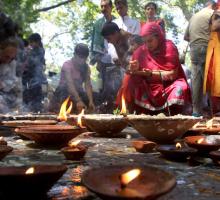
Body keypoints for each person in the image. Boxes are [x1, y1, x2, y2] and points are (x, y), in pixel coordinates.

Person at [117, 22, 191, 115]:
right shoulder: (141, 51)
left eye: (150, 40)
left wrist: (151, 73)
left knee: (181, 87)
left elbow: (173, 74)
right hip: (149, 87)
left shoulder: (169, 47)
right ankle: (131, 114)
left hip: (168, 86)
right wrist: (135, 69)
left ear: (158, 37)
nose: (147, 45)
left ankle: (173, 114)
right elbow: (133, 70)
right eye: (145, 42)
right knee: (129, 80)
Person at [184, 0, 216, 116]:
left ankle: (196, 112)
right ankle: (215, 112)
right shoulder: (214, 13)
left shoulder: (194, 16)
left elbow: (186, 36)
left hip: (194, 49)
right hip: (208, 47)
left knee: (196, 80)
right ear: (213, 5)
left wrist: (196, 40)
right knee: (212, 80)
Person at [48, 43, 95, 114]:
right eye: (80, 57)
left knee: (95, 96)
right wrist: (78, 100)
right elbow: (70, 84)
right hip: (64, 92)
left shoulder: (86, 68)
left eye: (84, 58)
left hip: (79, 91)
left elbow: (88, 85)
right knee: (64, 91)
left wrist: (90, 101)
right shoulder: (67, 65)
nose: (82, 60)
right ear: (75, 55)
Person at [0, 13, 22, 113]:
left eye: (11, 58)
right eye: (6, 56)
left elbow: (10, 83)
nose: (8, 60)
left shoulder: (11, 63)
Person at [22, 33, 47, 112]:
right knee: (26, 94)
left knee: (36, 95)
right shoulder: (30, 50)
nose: (31, 44)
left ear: (37, 42)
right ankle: (27, 109)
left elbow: (35, 62)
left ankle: (36, 109)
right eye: (30, 42)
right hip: (28, 77)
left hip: (36, 78)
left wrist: (28, 54)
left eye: (32, 42)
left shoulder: (40, 50)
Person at [203, 0, 220, 115]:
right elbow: (215, 26)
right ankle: (216, 112)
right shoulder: (216, 14)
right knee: (215, 79)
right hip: (216, 48)